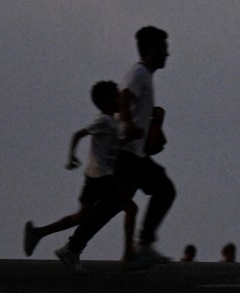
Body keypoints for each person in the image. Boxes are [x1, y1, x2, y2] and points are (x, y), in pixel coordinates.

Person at [56, 26, 177, 271]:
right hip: (129, 155)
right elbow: (124, 97)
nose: (168, 54)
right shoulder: (139, 73)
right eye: (164, 48)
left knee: (154, 193)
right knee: (122, 203)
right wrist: (129, 122)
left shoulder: (144, 75)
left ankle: (76, 247)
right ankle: (135, 245)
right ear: (152, 49)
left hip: (136, 155)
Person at [24, 81, 142, 272]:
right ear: (105, 102)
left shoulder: (112, 123)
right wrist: (71, 156)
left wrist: (131, 137)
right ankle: (129, 254)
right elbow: (79, 134)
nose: (121, 99)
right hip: (102, 176)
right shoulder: (103, 121)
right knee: (131, 207)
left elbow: (114, 145)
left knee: (81, 216)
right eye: (117, 96)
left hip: (95, 177)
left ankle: (39, 234)